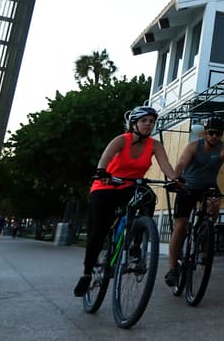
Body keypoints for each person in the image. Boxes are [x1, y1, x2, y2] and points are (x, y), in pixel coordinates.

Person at [73, 105, 178, 297]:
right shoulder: (122, 140)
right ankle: (87, 273)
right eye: (144, 120)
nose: (148, 124)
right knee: (99, 229)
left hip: (130, 186)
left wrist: (176, 180)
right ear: (134, 123)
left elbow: (166, 165)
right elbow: (105, 158)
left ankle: (136, 242)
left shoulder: (155, 145)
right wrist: (102, 172)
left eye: (152, 121)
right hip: (106, 185)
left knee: (148, 197)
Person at [165, 116, 224, 287]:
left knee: (215, 203)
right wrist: (175, 180)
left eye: (219, 134)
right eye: (211, 132)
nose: (215, 136)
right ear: (205, 132)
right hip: (188, 187)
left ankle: (204, 230)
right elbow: (180, 164)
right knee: (181, 225)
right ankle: (172, 269)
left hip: (208, 186)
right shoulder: (194, 146)